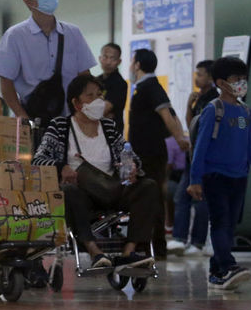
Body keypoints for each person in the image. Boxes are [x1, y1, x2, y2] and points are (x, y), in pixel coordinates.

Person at [33, 75, 157, 270]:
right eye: (90, 96)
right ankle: (94, 252)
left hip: (113, 188)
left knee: (148, 186)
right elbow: (38, 159)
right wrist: (61, 166)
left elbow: (132, 156)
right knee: (68, 192)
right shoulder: (60, 126)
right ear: (76, 102)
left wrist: (132, 167)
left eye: (99, 95)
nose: (97, 101)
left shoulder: (108, 127)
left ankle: (129, 252)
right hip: (82, 195)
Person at [187, 56, 251, 290]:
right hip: (215, 176)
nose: (241, 83)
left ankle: (217, 271)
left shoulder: (243, 113)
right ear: (221, 82)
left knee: (229, 225)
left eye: (243, 79)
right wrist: (195, 179)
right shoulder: (214, 110)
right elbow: (201, 147)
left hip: (239, 177)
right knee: (220, 222)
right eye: (236, 79)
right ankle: (228, 265)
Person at [0, 0, 97, 127]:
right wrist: (21, 115)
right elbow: (6, 82)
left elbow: (85, 76)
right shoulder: (15, 36)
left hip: (71, 121)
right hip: (34, 121)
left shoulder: (73, 33)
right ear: (28, 1)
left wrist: (87, 110)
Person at [127, 48, 190, 258]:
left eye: (132, 61)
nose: (130, 65)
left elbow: (167, 114)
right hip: (143, 153)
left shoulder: (150, 86)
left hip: (151, 153)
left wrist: (180, 139)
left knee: (151, 198)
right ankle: (149, 245)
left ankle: (155, 247)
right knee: (146, 198)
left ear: (137, 65)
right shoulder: (143, 87)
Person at [169, 60, 216, 256]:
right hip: (192, 156)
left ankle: (197, 242)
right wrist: (189, 105)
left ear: (212, 78)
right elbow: (191, 125)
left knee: (200, 200)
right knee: (182, 197)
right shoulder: (198, 98)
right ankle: (179, 239)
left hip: (205, 158)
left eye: (201, 74)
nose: (197, 78)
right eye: (196, 74)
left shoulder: (215, 100)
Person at [96, 42, 128, 133]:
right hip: (94, 131)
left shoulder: (120, 83)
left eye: (112, 58)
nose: (108, 62)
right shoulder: (95, 81)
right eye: (105, 57)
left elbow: (103, 109)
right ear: (100, 58)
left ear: (119, 61)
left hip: (111, 131)